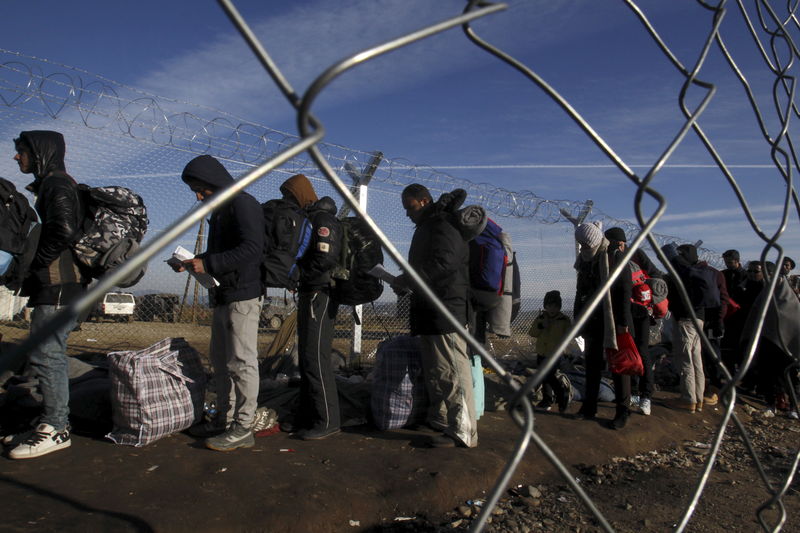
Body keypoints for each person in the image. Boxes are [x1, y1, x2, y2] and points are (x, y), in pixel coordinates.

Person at [4, 131, 88, 459]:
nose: (16, 157)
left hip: (58, 284)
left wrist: (35, 262)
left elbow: (64, 230)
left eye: (21, 151)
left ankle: (56, 428)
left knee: (46, 354)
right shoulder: (52, 184)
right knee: (46, 353)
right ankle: (50, 421)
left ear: (39, 153)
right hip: (54, 284)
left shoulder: (56, 184)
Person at [174, 155, 264, 452]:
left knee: (241, 362)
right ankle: (223, 420)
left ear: (215, 182)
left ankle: (243, 426)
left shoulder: (242, 203)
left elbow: (252, 248)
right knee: (221, 361)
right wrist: (193, 263)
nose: (199, 197)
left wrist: (209, 261)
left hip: (243, 295)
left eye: (202, 189)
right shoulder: (221, 210)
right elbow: (222, 254)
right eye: (195, 192)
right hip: (224, 294)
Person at [391, 183, 476, 448]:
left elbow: (444, 263)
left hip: (445, 309)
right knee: (437, 370)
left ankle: (463, 430)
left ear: (424, 201)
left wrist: (410, 279)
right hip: (431, 307)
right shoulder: (430, 226)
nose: (408, 214)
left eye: (410, 207)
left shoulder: (442, 224)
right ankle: (441, 420)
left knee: (452, 371)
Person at [280, 174, 343, 440]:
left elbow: (324, 257)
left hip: (320, 293)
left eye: (289, 197)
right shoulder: (310, 219)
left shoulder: (322, 220)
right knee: (307, 357)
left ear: (300, 195)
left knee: (316, 358)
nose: (287, 202)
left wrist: (301, 275)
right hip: (311, 292)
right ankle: (307, 416)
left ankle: (328, 420)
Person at [573, 222, 633, 429]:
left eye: (587, 243)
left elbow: (625, 290)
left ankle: (623, 410)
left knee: (619, 366)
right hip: (592, 320)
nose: (584, 248)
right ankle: (589, 407)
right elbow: (580, 291)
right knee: (591, 364)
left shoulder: (614, 256)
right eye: (581, 244)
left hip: (613, 320)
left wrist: (623, 322)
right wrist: (577, 318)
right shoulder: (584, 260)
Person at [604, 226, 664, 416]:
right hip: (624, 311)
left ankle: (646, 395)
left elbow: (657, 276)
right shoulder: (608, 256)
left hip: (639, 311)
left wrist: (647, 293)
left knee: (641, 351)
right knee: (630, 352)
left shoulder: (635, 254)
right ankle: (636, 393)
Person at [663, 243, 710, 413]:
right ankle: (698, 398)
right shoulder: (698, 271)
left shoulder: (683, 271)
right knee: (696, 359)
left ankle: (688, 399)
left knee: (685, 359)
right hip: (699, 319)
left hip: (685, 319)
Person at [528, 290, 572, 413]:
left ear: (559, 307)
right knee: (544, 377)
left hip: (555, 354)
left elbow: (569, 334)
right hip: (542, 352)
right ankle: (547, 400)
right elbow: (532, 333)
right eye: (549, 306)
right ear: (545, 306)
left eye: (555, 306)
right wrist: (542, 325)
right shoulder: (541, 318)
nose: (552, 309)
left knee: (548, 375)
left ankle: (562, 395)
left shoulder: (564, 320)